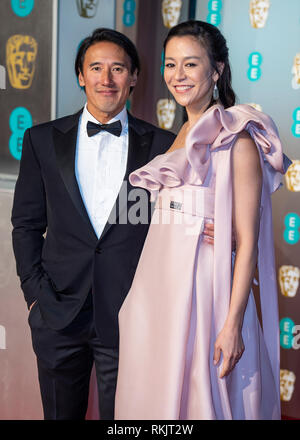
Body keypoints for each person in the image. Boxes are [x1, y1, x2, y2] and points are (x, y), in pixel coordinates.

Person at [12, 28, 215, 420]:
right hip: (57, 313)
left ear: (135, 76)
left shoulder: (164, 146)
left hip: (130, 316)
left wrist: (223, 232)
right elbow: (25, 224)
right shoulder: (41, 140)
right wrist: (35, 294)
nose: (106, 80)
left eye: (118, 68)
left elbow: (181, 220)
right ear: (80, 75)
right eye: (96, 68)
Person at [115, 20, 291, 420]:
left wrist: (232, 325)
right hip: (158, 291)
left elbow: (246, 241)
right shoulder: (174, 137)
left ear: (217, 70)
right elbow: (149, 218)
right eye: (170, 64)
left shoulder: (238, 139)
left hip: (204, 295)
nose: (178, 75)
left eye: (191, 64)